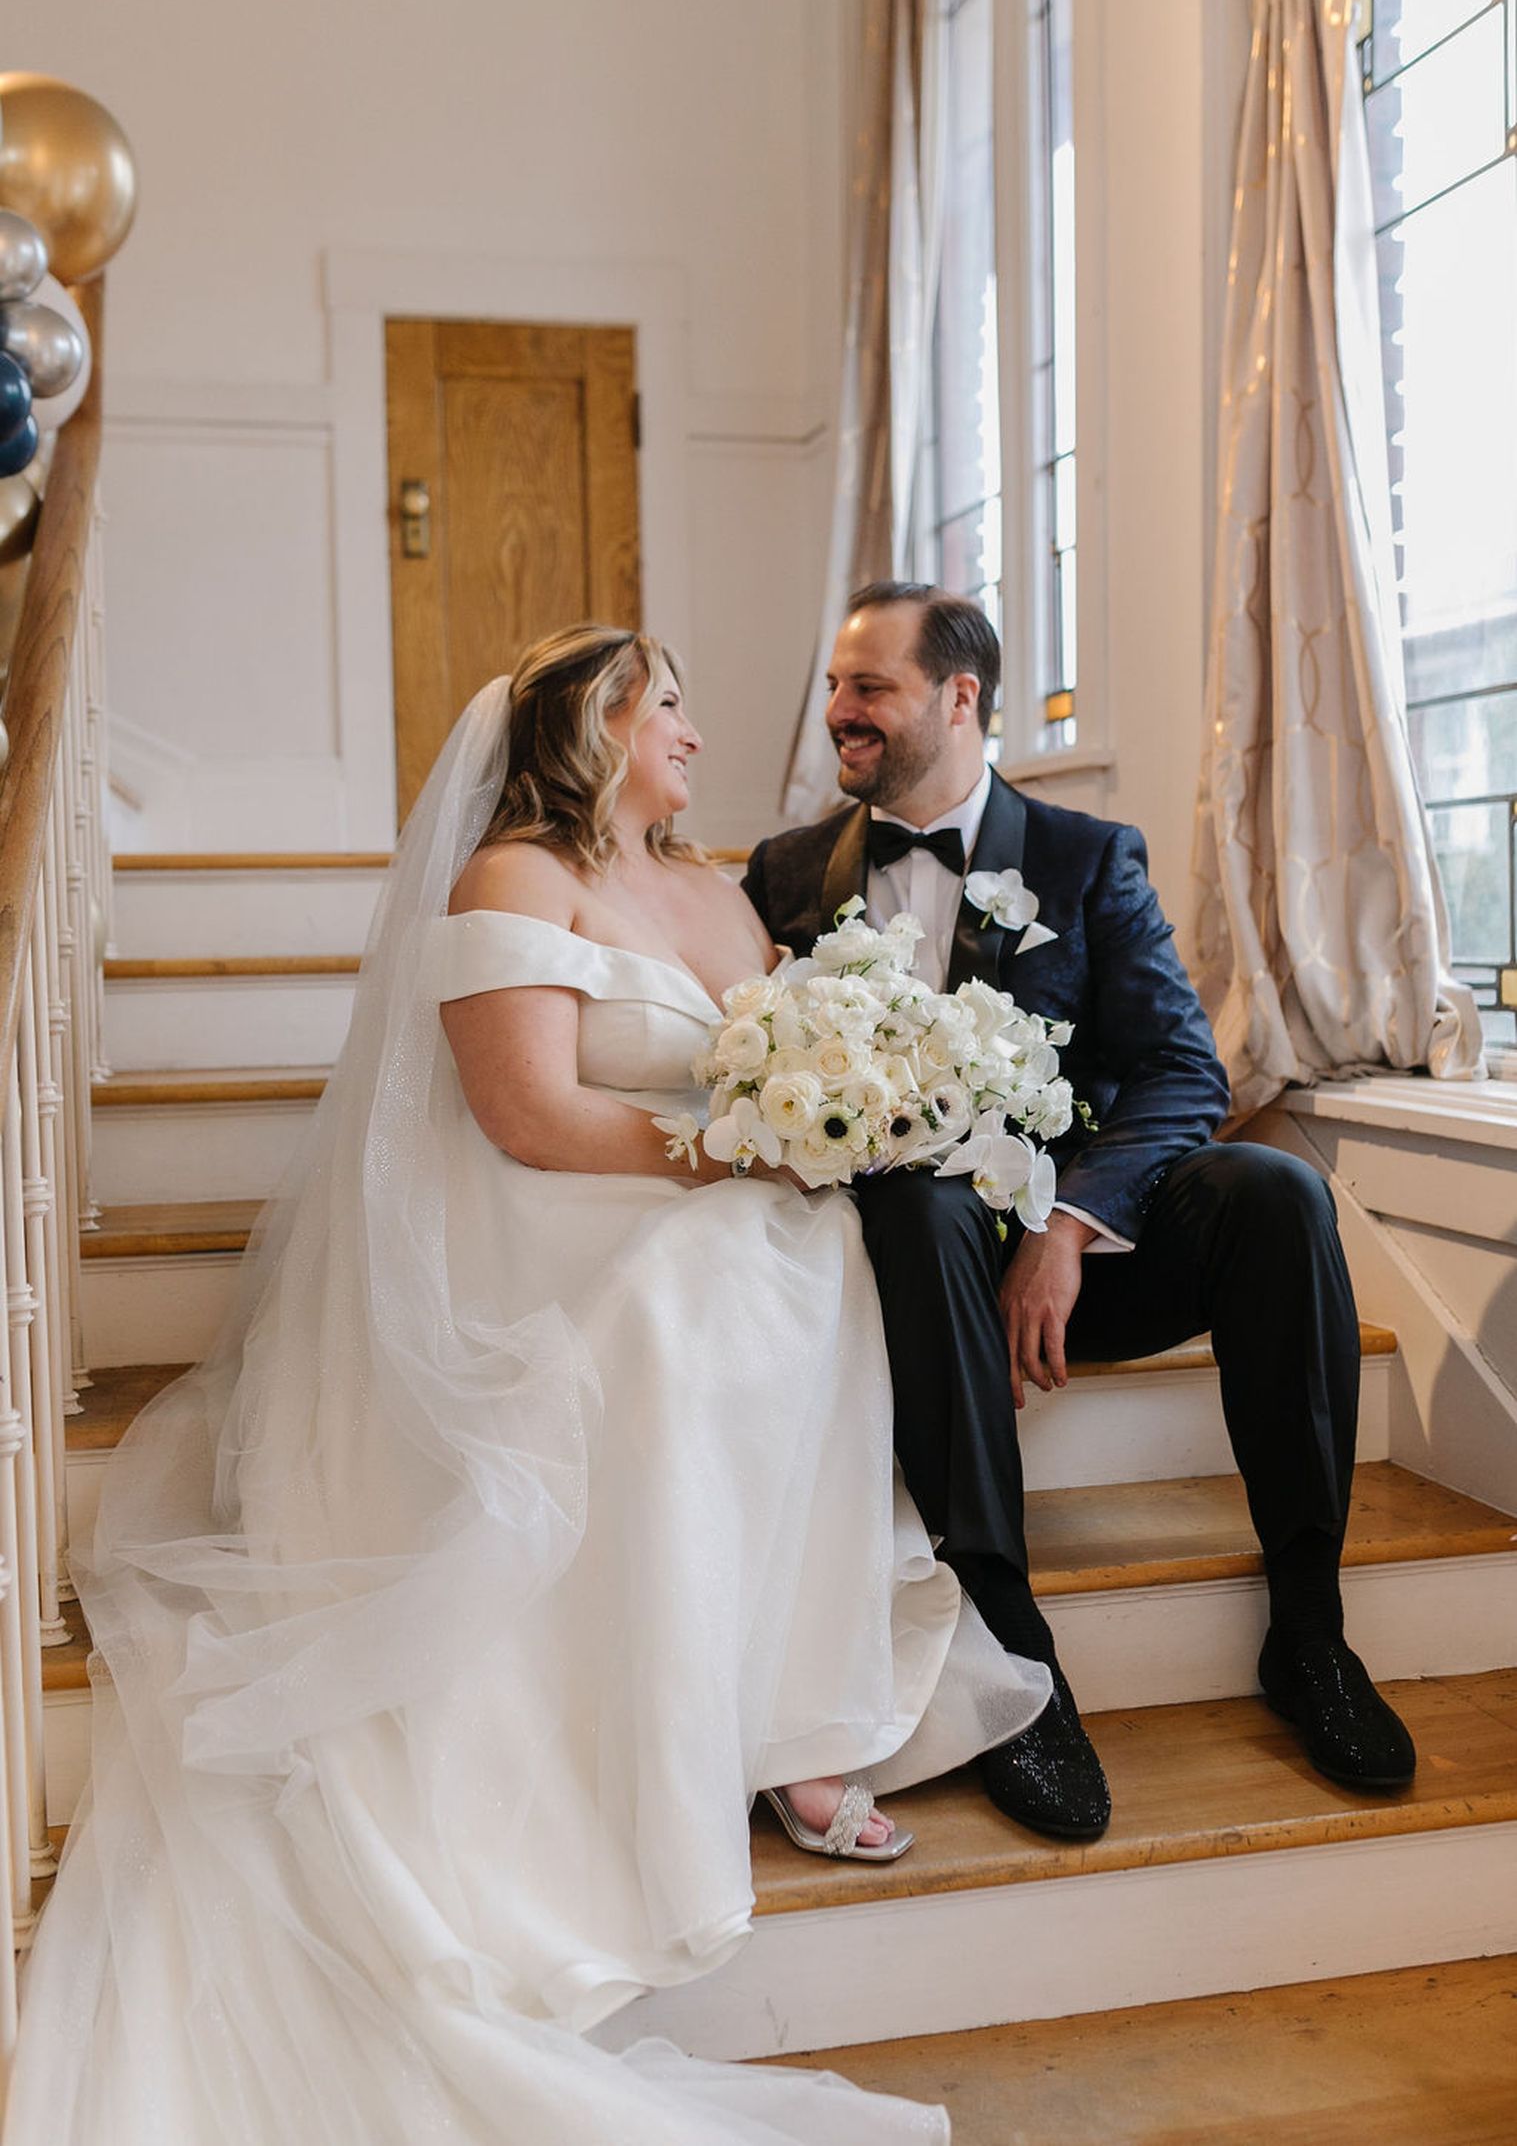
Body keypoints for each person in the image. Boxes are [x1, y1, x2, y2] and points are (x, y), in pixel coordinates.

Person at [6, 623, 1051, 2146]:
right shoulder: (514, 878)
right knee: (713, 1294)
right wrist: (732, 1153)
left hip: (723, 1203)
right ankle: (688, 1741)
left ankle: (788, 1718)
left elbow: (791, 1053)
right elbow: (527, 1118)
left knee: (807, 1267)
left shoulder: (712, 888)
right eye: (670, 705)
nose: (696, 732)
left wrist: (844, 1107)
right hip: (559, 1230)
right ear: (596, 721)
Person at [743, 580, 1417, 1843]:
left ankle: (1309, 1638)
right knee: (924, 1206)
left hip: (1074, 1257)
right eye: (835, 686)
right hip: (905, 1264)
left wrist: (1065, 1229)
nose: (838, 712)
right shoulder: (786, 873)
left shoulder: (1084, 854)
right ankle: (1014, 1663)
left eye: (867, 685)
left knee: (1273, 1191)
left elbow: (1179, 1068)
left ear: (959, 697)